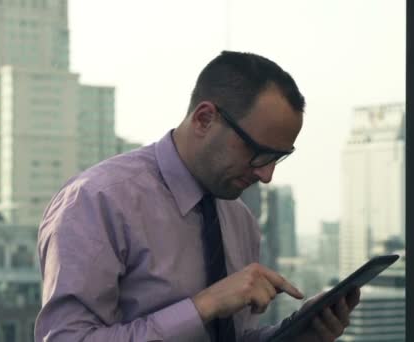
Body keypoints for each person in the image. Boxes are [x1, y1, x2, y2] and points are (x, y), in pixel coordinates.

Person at [35, 50, 360, 342]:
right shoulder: (97, 201)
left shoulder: (239, 219)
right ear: (205, 119)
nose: (266, 174)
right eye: (259, 152)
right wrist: (205, 305)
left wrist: (296, 334)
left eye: (278, 157)